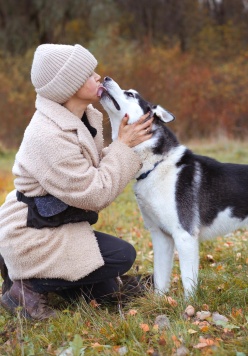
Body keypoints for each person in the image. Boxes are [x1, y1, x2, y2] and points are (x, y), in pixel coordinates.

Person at [0, 44, 153, 320]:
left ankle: (47, 281)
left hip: (52, 222)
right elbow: (94, 192)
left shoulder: (82, 117)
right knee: (122, 256)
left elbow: (88, 169)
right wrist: (124, 146)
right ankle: (25, 288)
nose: (98, 77)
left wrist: (123, 145)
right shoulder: (48, 135)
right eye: (88, 73)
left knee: (104, 291)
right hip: (31, 234)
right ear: (68, 86)